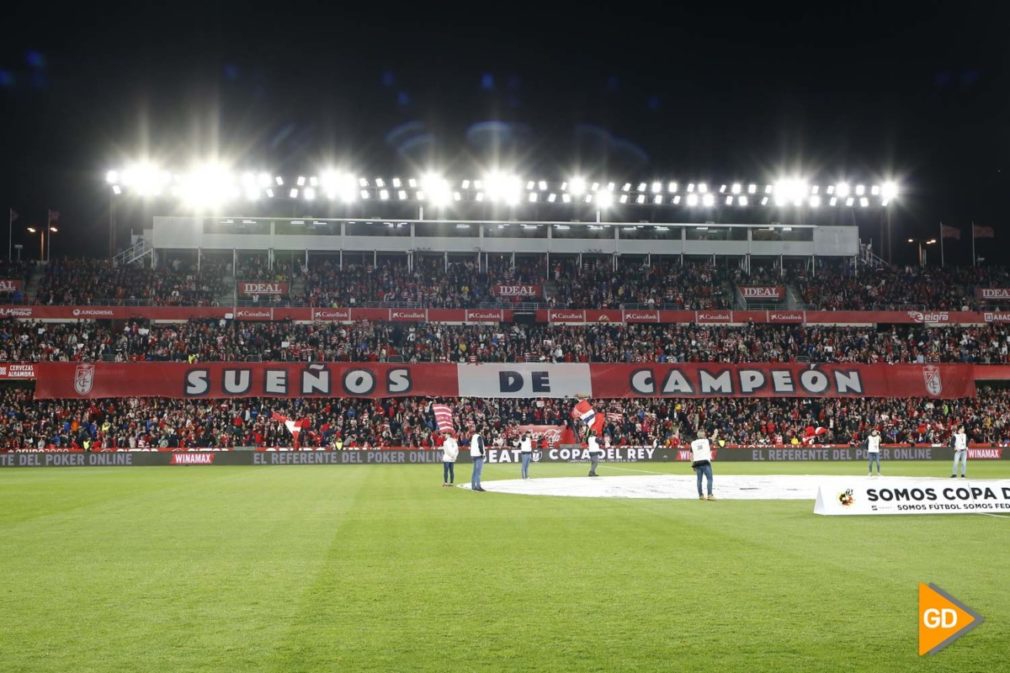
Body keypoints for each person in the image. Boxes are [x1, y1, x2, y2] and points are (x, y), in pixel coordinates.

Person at [690, 429, 715, 500]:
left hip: (697, 463)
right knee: (709, 478)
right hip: (705, 462)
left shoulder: (693, 443)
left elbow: (691, 455)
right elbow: (713, 439)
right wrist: (715, 433)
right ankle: (710, 495)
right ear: (704, 435)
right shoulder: (706, 441)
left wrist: (692, 465)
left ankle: (700, 495)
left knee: (699, 480)